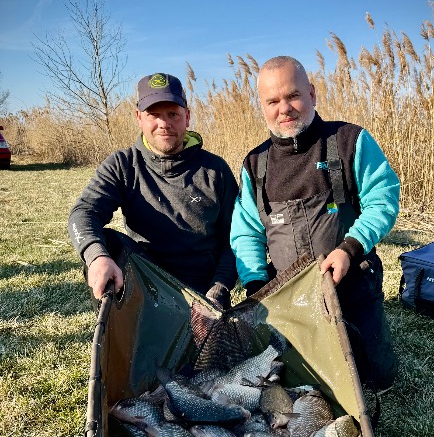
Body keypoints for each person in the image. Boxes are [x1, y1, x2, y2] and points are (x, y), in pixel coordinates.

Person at [230, 56, 400, 390]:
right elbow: (246, 232)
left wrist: (348, 249)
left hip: (352, 285)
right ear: (262, 106)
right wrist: (256, 287)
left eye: (293, 96)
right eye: (273, 101)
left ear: (312, 93)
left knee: (377, 379)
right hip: (289, 300)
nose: (284, 109)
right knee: (292, 383)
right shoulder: (255, 164)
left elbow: (383, 200)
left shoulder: (350, 140)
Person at [69, 72, 238, 309]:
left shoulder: (215, 170)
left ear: (187, 117)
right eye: (153, 115)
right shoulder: (122, 165)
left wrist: (219, 289)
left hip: (203, 292)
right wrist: (97, 255)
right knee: (107, 242)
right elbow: (83, 213)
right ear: (139, 118)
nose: (164, 124)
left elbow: (235, 239)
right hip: (145, 288)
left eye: (173, 114)